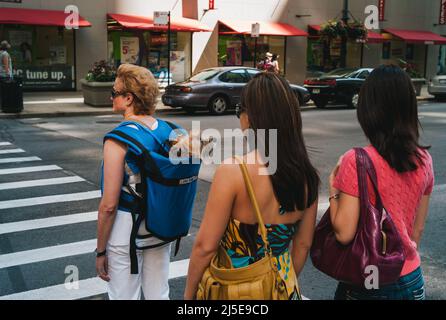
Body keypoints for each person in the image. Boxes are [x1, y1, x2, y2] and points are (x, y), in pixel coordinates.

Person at [184, 72, 320, 300]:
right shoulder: (308, 177)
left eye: (239, 111)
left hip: (236, 292)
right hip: (283, 288)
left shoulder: (233, 171)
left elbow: (205, 247)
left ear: (249, 117)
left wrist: (188, 296)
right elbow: (303, 244)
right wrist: (279, 282)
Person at [328, 65, 434, 300]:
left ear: (369, 109)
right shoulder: (425, 160)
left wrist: (333, 189)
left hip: (370, 279)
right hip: (411, 277)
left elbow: (344, 233)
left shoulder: (356, 160)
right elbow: (416, 231)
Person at [96, 64, 172, 300]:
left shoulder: (118, 139)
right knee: (158, 294)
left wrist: (100, 251)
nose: (111, 96)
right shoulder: (167, 130)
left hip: (125, 231)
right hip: (160, 224)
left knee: (123, 296)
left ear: (128, 99)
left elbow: (109, 206)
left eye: (115, 92)